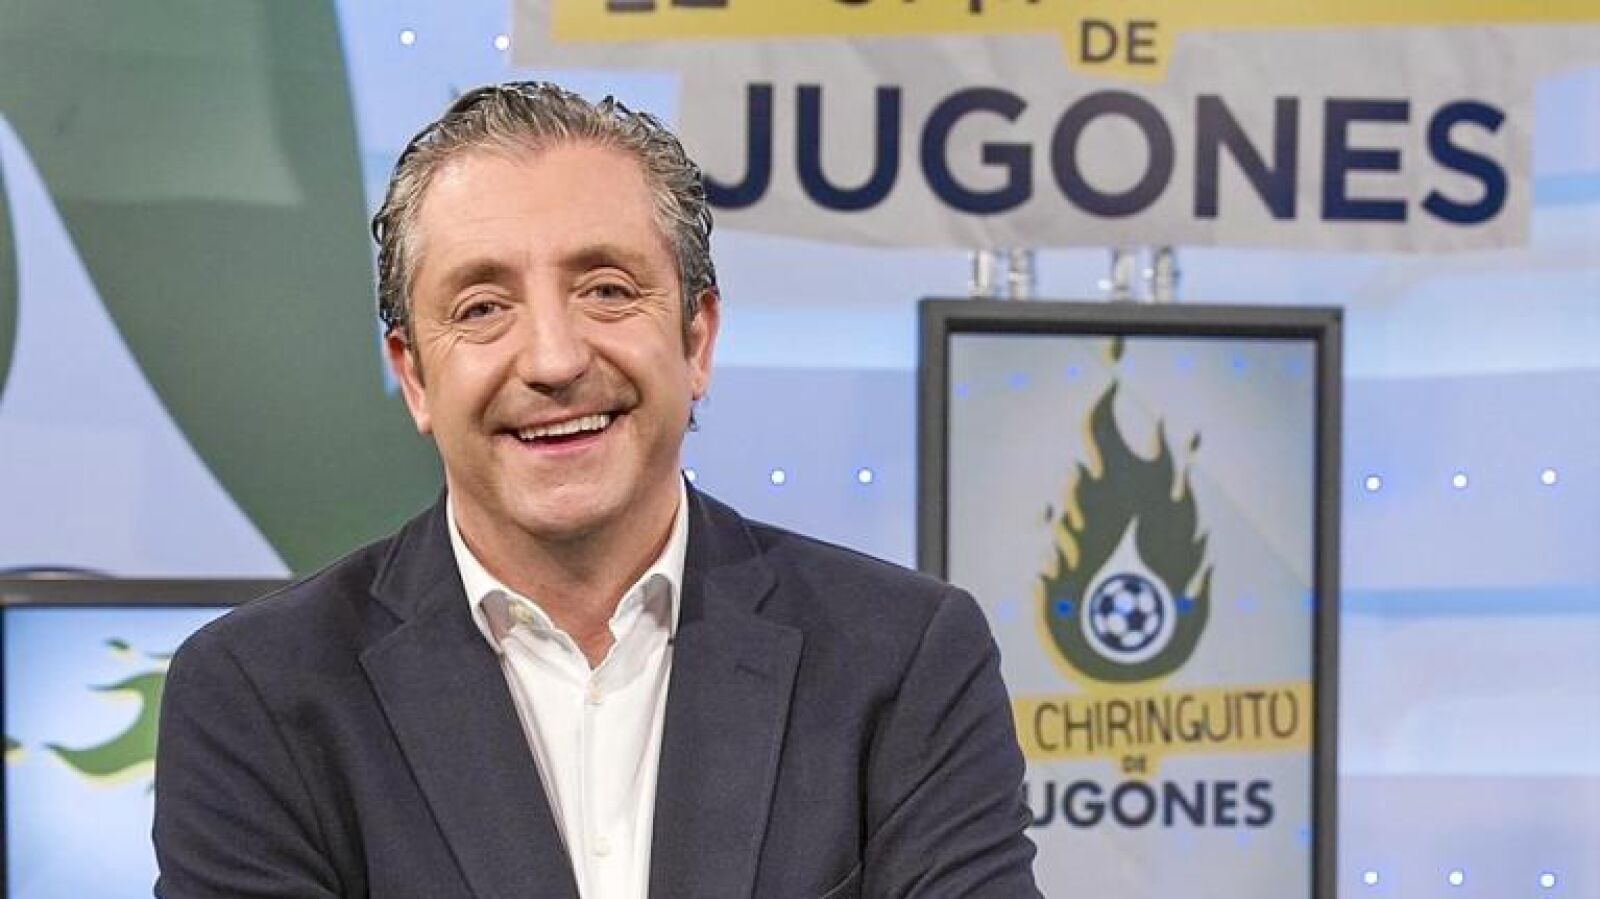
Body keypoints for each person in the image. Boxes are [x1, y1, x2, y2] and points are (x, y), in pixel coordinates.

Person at [153, 81, 1041, 899]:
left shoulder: (903, 658)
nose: (553, 359)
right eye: (481, 308)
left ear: (696, 340)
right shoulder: (258, 695)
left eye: (607, 290)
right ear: (415, 377)